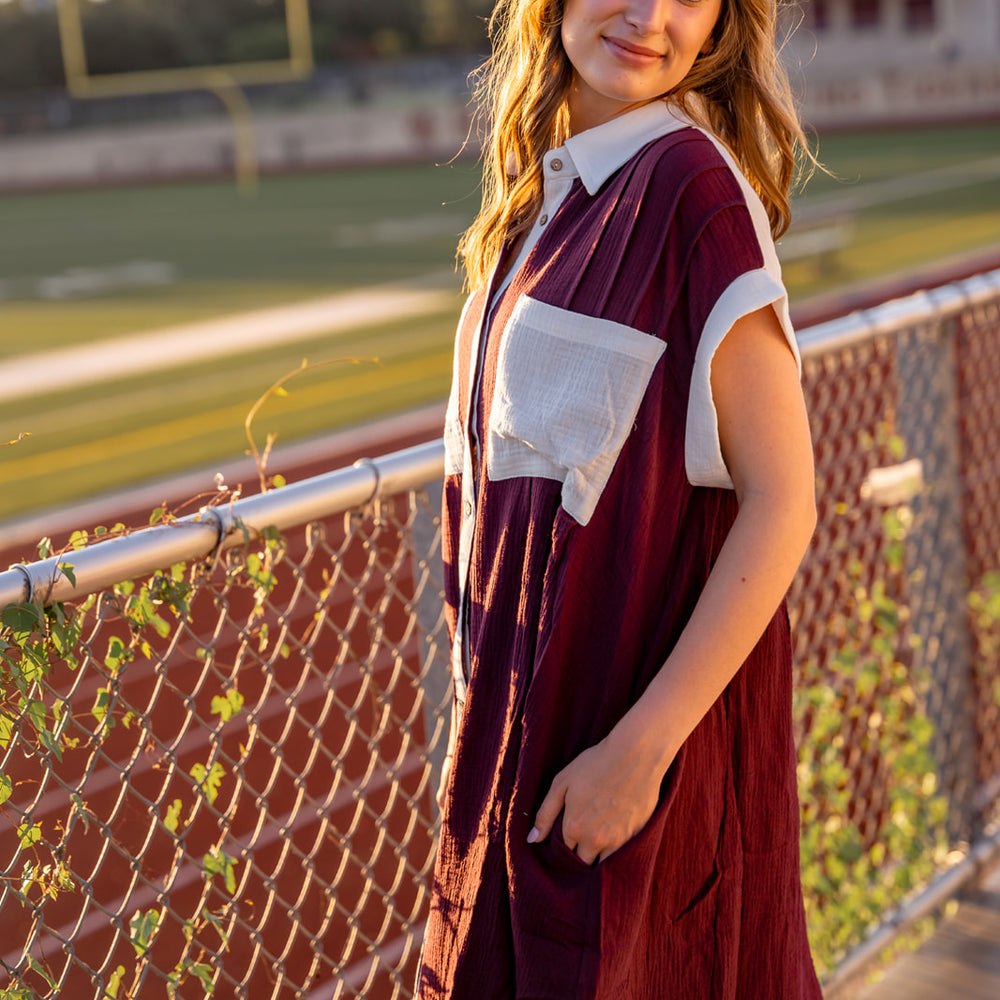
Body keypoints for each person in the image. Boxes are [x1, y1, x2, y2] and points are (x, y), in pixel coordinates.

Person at [419, 0, 822, 997]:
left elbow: (783, 499)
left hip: (623, 765)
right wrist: (477, 726)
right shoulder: (535, 205)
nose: (650, 16)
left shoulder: (690, 192)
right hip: (516, 751)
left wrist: (636, 755)